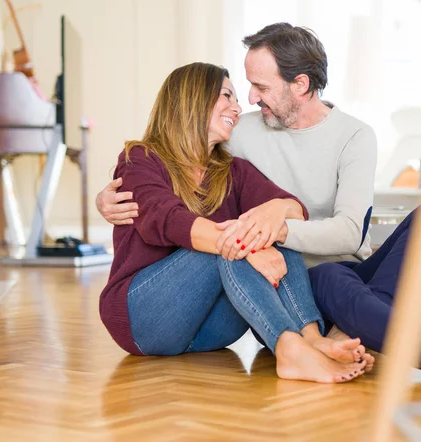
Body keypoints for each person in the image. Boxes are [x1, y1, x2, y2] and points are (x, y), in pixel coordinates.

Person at [96, 23, 421, 377]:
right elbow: (162, 205)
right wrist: (107, 197)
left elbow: (331, 226)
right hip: (281, 284)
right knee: (259, 240)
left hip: (310, 278)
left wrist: (276, 216)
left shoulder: (352, 136)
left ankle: (343, 333)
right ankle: (409, 345)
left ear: (300, 84)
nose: (245, 100)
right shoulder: (230, 132)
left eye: (258, 86)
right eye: (233, 91)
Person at [99, 61, 374, 384]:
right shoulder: (141, 158)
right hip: (144, 317)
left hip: (210, 332)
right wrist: (247, 247)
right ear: (193, 98)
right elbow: (166, 219)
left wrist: (274, 210)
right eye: (226, 96)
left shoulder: (232, 170)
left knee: (272, 233)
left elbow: (296, 212)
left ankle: (311, 340)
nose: (239, 106)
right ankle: (289, 349)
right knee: (235, 242)